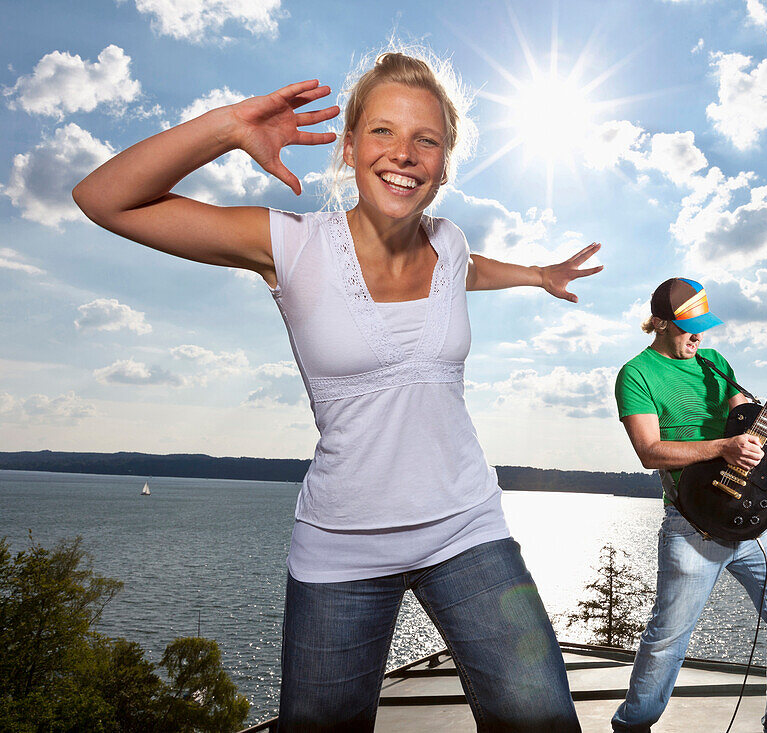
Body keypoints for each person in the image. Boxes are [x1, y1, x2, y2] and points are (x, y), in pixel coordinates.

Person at [72, 51, 595, 732]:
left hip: (468, 527)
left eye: (425, 140)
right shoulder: (290, 245)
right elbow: (103, 198)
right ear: (348, 147)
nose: (403, 154)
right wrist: (229, 126)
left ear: (444, 163)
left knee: (543, 719)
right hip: (343, 547)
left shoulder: (453, 243)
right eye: (382, 132)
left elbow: (471, 271)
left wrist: (537, 273)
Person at [611, 277, 767, 733]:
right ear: (660, 323)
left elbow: (749, 422)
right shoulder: (637, 374)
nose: (698, 336)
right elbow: (649, 452)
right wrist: (723, 447)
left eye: (703, 326)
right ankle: (631, 726)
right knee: (667, 640)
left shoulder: (714, 363)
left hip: (757, 520)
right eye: (688, 327)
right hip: (692, 525)